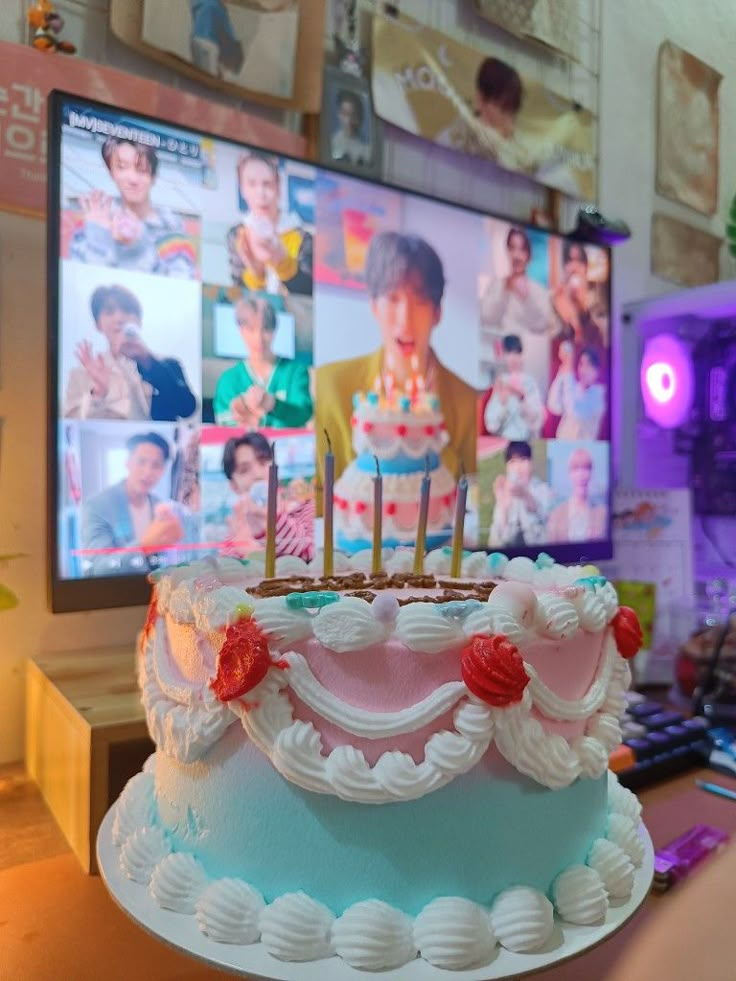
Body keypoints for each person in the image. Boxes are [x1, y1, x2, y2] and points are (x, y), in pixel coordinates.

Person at [315, 231, 477, 485]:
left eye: (420, 302)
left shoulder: (467, 404)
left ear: (437, 313)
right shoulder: (330, 385)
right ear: (373, 306)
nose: (405, 320)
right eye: (393, 299)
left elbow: (472, 503)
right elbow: (316, 500)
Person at [63, 284, 197, 422]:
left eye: (127, 311)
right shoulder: (80, 374)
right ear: (98, 324)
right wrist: (97, 393)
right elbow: (70, 426)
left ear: (139, 321)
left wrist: (148, 362)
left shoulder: (168, 365)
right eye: (109, 312)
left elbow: (187, 409)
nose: (119, 318)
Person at [70, 137, 197, 277]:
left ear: (153, 176)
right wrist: (98, 238)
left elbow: (178, 292)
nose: (133, 179)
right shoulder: (92, 222)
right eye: (122, 167)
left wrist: (139, 248)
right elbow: (79, 284)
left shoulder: (174, 236)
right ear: (111, 172)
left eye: (141, 169)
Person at [80, 432, 194, 577]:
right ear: (128, 462)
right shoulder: (97, 506)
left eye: (156, 465)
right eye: (141, 462)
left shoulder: (160, 506)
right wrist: (144, 547)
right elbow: (95, 569)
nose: (147, 472)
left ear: (163, 470)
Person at [213, 296, 312, 428]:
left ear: (274, 331)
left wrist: (272, 404)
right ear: (241, 331)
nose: (259, 338)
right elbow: (224, 425)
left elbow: (303, 414)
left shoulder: (295, 372)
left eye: (266, 329)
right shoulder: (228, 380)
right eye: (251, 329)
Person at [480, 226, 555, 393]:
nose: (516, 255)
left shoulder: (538, 291)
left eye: (521, 249)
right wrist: (504, 291)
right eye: (512, 248)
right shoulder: (497, 286)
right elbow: (486, 317)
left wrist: (527, 298)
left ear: (528, 255)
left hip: (531, 368)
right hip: (500, 364)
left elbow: (544, 324)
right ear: (507, 252)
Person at [227, 152, 311, 295]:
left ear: (278, 187)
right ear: (242, 189)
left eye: (267, 184)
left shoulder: (302, 237)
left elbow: (308, 294)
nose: (261, 193)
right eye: (252, 184)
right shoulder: (237, 235)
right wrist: (257, 272)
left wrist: (282, 261)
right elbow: (239, 294)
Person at [221, 432, 314, 561]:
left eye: (263, 462)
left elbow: (315, 557)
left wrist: (274, 521)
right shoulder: (237, 533)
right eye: (244, 470)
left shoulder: (305, 509)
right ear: (234, 486)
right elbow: (214, 579)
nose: (258, 474)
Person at [436, 57, 528, 170]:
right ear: (480, 100)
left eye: (512, 111)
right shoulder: (451, 140)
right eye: (503, 109)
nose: (509, 122)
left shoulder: (521, 155)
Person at [488, 441, 551, 548]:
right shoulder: (505, 493)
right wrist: (502, 502)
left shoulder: (542, 490)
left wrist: (525, 495)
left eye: (523, 460)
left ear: (531, 463)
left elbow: (544, 533)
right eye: (512, 461)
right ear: (506, 467)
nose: (518, 467)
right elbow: (496, 542)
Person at [483, 334, 543, 440]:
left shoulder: (530, 382)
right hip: (504, 442)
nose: (513, 358)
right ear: (504, 356)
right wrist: (502, 404)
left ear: (522, 356)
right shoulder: (501, 382)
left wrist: (522, 398)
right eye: (509, 353)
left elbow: (537, 422)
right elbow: (491, 426)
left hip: (525, 440)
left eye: (517, 353)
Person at [546, 447, 607, 543]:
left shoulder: (602, 513)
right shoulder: (556, 515)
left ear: (591, 473)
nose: (581, 475)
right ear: (569, 474)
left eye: (586, 468)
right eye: (576, 469)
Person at [551, 241, 605, 349]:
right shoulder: (556, 302)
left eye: (579, 261)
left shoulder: (598, 306)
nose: (574, 267)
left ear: (585, 267)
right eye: (570, 261)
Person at [547, 345, 606, 440]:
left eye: (589, 365)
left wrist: (568, 373)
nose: (584, 370)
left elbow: (575, 412)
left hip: (587, 449)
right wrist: (561, 374)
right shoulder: (573, 386)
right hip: (561, 444)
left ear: (597, 371)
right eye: (581, 364)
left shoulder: (600, 393)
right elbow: (553, 405)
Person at [189, 0, 244, 78]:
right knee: (209, 76)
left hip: (195, 40)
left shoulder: (199, 4)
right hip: (209, 43)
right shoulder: (218, 8)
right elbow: (228, 35)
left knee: (200, 72)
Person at [331, 89, 370, 165]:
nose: (349, 120)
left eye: (353, 114)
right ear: (339, 114)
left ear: (359, 117)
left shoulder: (367, 148)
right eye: (345, 113)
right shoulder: (332, 142)